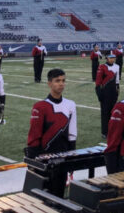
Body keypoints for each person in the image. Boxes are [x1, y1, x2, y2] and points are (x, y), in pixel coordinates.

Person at [25, 69, 77, 197]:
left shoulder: (71, 105)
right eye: (57, 81)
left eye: (63, 81)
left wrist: (71, 159)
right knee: (40, 197)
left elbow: (72, 133)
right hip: (44, 159)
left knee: (58, 196)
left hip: (62, 158)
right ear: (49, 83)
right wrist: (34, 161)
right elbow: (34, 136)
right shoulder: (40, 106)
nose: (61, 84)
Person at [95, 52, 120, 138]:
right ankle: (104, 132)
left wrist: (117, 91)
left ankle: (112, 130)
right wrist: (99, 94)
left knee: (113, 112)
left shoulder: (117, 67)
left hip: (113, 92)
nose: (112, 59)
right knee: (105, 113)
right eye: (111, 57)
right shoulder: (102, 67)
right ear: (106, 58)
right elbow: (98, 82)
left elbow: (117, 81)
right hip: (105, 93)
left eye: (114, 57)